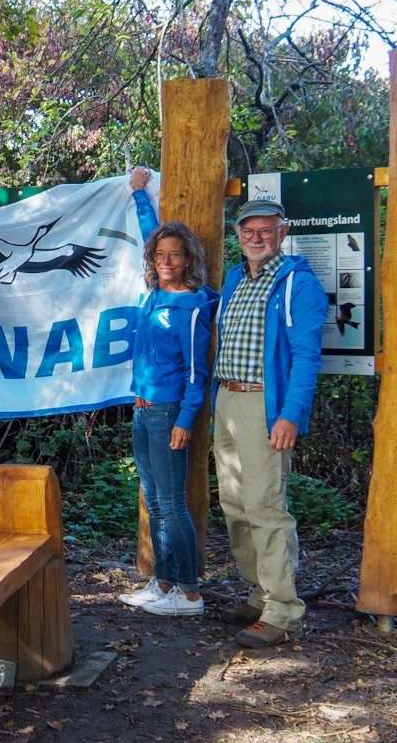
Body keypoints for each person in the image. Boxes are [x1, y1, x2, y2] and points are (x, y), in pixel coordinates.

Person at [212, 198, 327, 648]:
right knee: (236, 506)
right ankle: (258, 594)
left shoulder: (298, 283)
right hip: (227, 398)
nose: (255, 238)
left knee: (265, 506)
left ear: (283, 232)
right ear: (238, 235)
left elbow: (305, 356)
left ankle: (283, 612)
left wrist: (289, 415)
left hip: (265, 405)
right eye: (247, 231)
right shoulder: (236, 279)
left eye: (265, 230)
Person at [118, 167, 218, 617]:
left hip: (167, 412)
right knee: (154, 499)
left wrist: (184, 419)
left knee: (172, 504)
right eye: (160, 254)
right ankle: (163, 584)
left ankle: (190, 593)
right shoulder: (154, 294)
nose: (166, 260)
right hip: (142, 410)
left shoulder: (191, 306)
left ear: (189, 260)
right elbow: (148, 232)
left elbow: (198, 372)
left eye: (175, 255)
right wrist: (140, 195)